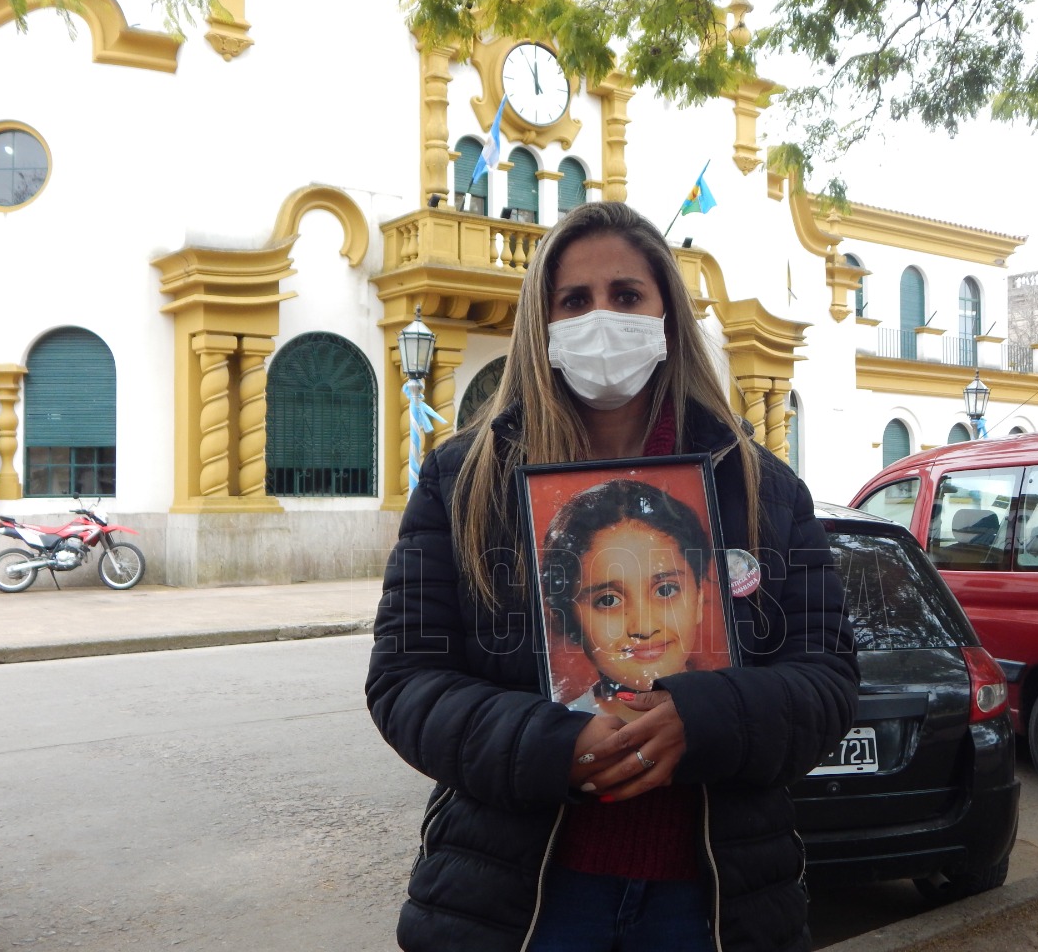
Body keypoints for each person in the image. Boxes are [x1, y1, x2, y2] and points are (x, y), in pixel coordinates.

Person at [366, 200, 859, 952]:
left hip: (714, 905)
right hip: (522, 902)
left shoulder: (760, 487)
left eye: (626, 296)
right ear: (543, 322)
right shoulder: (462, 480)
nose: (602, 318)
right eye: (575, 300)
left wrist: (709, 716)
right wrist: (547, 743)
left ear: (666, 315)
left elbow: (827, 678)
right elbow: (405, 680)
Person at [541, 478, 720, 719]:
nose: (644, 628)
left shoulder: (734, 714)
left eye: (665, 591)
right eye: (608, 600)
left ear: (698, 598)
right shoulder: (564, 729)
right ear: (570, 618)